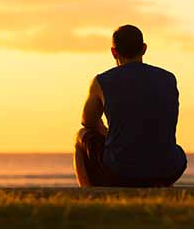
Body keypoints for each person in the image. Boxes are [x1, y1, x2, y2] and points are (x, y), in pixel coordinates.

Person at [74, 25, 187, 187]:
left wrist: (107, 134)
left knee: (81, 135)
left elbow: (88, 121)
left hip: (122, 171)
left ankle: (88, 195)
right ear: (144, 49)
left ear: (113, 52)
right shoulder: (168, 78)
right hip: (169, 169)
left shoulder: (102, 81)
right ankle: (157, 184)